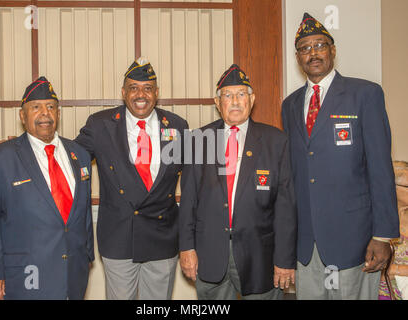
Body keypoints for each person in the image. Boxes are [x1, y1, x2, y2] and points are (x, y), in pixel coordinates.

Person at [281, 13, 400, 300]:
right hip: (307, 244)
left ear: (333, 51)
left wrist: (383, 236)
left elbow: (380, 168)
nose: (313, 53)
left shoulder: (365, 94)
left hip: (354, 241)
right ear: (298, 58)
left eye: (320, 45)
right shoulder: (290, 105)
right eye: (305, 48)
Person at [179, 64, 297, 300]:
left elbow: (285, 207)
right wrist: (186, 248)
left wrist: (284, 259)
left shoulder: (276, 141)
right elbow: (188, 200)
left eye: (241, 94)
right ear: (217, 102)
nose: (234, 101)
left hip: (260, 258)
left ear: (252, 99)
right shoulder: (198, 141)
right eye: (227, 95)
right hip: (209, 255)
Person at [75, 57, 189, 300]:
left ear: (156, 93)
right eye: (134, 88)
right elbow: (71, 157)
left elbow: (195, 179)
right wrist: (33, 148)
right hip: (119, 237)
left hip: (163, 236)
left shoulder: (178, 126)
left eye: (147, 88)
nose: (141, 94)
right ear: (123, 92)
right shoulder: (101, 124)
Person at [0, 77, 94, 300]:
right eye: (35, 107)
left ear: (58, 113)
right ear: (22, 115)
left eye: (50, 107)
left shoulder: (80, 155)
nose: (44, 113)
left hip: (73, 275)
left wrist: (87, 255)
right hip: (25, 277)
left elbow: (83, 211)